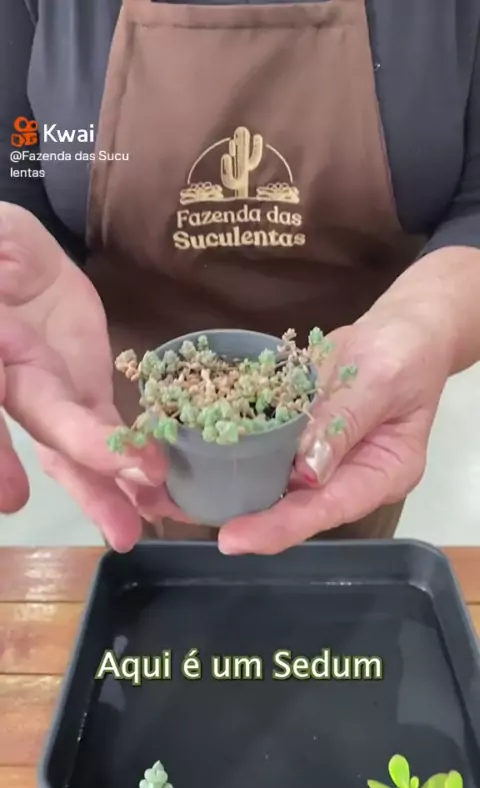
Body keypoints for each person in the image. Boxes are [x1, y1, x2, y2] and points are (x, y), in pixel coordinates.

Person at [1, 0, 480, 555]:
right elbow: (18, 169)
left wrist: (429, 318)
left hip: (359, 414)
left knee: (334, 588)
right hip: (134, 437)